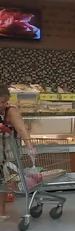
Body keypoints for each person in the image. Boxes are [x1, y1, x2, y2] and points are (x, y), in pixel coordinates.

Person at [0, 87, 32, 221]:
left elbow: (21, 128)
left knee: (3, 182)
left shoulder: (11, 111)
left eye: (3, 102)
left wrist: (30, 146)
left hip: (5, 153)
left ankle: (1, 210)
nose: (0, 105)